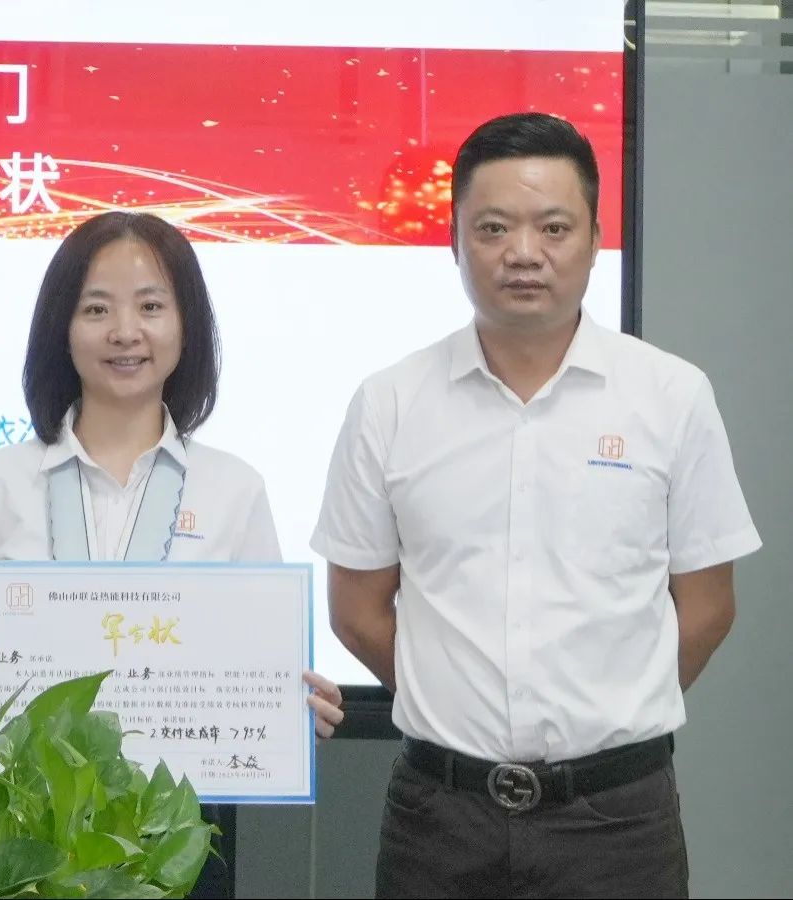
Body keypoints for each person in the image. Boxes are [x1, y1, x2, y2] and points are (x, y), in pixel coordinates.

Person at [310, 112, 761, 899]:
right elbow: (357, 609)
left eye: (554, 227)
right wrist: (455, 699)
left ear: (594, 239)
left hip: (618, 820)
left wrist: (612, 705)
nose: (523, 252)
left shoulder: (671, 396)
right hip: (440, 816)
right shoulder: (390, 403)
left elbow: (708, 605)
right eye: (493, 228)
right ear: (455, 242)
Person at [0, 211, 344, 899]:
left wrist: (294, 713)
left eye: (150, 307)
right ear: (61, 328)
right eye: (96, 309)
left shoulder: (234, 488)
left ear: (186, 327)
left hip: (173, 839)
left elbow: (266, 666)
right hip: (21, 835)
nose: (124, 332)